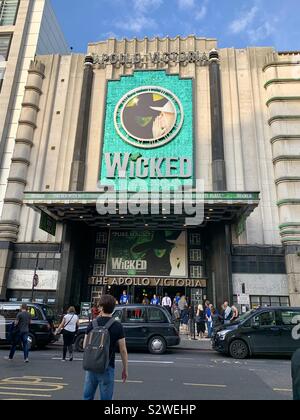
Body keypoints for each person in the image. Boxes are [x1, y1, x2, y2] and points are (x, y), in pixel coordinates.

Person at [83, 295, 128, 401]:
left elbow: (85, 345)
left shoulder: (92, 324)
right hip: (107, 367)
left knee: (87, 397)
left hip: (91, 366)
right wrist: (125, 369)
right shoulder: (117, 326)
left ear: (101, 307)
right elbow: (123, 350)